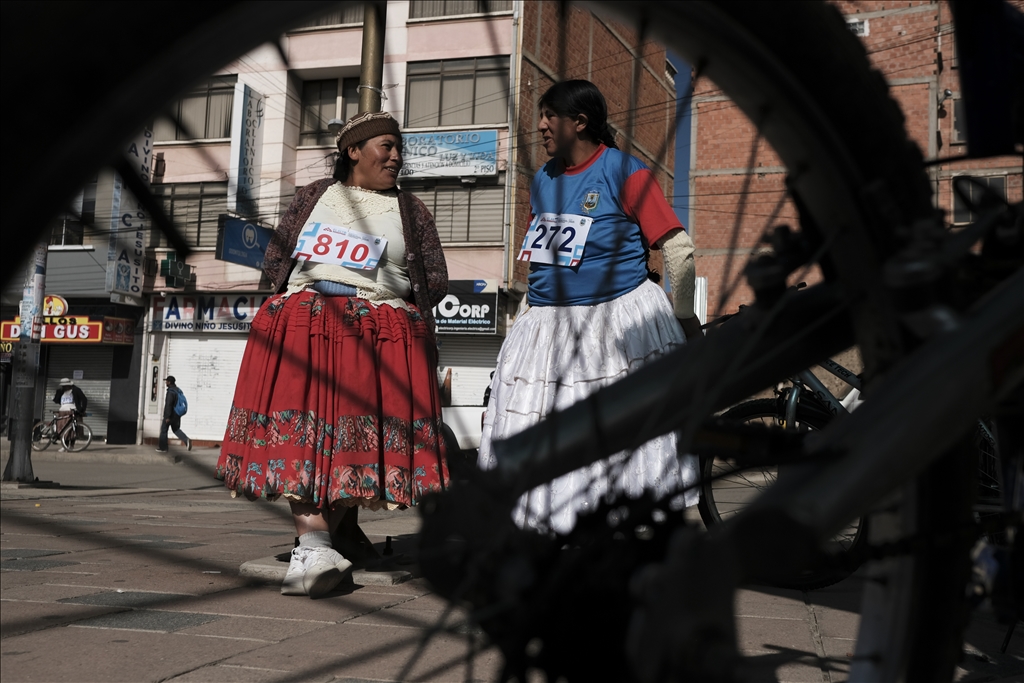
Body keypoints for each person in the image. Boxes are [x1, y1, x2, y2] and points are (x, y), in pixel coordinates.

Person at [216, 111, 450, 598]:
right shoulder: (312, 196)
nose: (395, 157)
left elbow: (434, 276)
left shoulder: (412, 210)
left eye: (398, 148)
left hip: (378, 330)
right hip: (305, 322)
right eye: (385, 146)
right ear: (353, 151)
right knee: (300, 433)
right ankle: (314, 546)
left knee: (353, 439)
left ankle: (319, 544)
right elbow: (278, 255)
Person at [478, 80, 702, 535]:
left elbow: (677, 249)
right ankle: (552, 528)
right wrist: (523, 320)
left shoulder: (624, 170)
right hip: (546, 323)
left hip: (616, 318)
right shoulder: (543, 179)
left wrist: (682, 318)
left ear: (579, 123)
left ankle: (619, 525)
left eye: (550, 116)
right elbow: (542, 260)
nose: (540, 125)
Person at [157, 376, 192, 453]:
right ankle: (186, 440)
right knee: (176, 429)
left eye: (166, 381)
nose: (166, 382)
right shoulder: (177, 390)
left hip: (171, 415)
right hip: (177, 415)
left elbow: (168, 405)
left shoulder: (171, 392)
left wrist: (167, 417)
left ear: (169, 382)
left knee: (163, 430)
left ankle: (163, 448)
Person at [52, 378, 87, 451]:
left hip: (72, 411)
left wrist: (81, 409)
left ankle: (71, 445)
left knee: (72, 430)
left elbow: (84, 399)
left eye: (66, 386)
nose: (65, 387)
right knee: (63, 429)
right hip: (62, 411)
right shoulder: (61, 391)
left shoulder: (76, 390)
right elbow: (56, 400)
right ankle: (65, 445)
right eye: (63, 386)